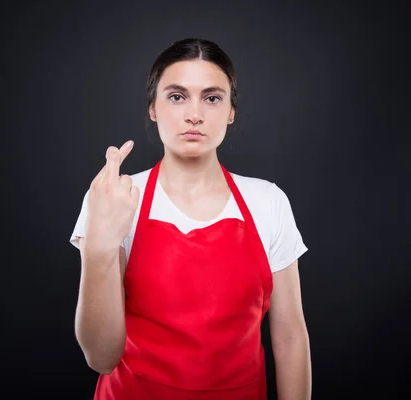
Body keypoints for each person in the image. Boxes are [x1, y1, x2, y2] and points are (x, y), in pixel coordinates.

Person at [70, 38, 311, 400]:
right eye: (177, 96)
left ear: (231, 111)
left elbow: (290, 335)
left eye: (212, 98)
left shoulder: (267, 202)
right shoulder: (114, 199)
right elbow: (102, 357)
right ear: (152, 107)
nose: (194, 114)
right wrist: (100, 246)